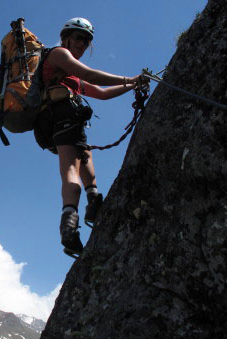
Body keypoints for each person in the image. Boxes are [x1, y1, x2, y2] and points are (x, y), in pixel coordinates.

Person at [33, 17, 146, 257]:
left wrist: (132, 86)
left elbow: (102, 94)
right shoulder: (58, 54)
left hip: (52, 122)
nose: (83, 45)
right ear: (66, 38)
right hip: (63, 116)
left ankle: (89, 204)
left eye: (87, 42)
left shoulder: (67, 76)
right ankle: (71, 221)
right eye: (79, 38)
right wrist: (131, 80)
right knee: (71, 168)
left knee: (82, 154)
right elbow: (93, 76)